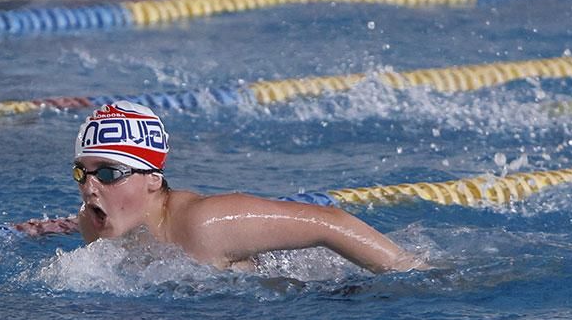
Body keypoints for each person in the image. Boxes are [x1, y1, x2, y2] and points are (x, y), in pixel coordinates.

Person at [73, 100, 427, 274]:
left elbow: (327, 222)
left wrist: (406, 270)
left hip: (324, 292)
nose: (90, 188)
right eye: (82, 173)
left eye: (107, 173)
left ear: (152, 179)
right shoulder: (95, 226)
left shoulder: (205, 224)